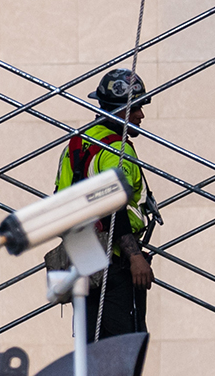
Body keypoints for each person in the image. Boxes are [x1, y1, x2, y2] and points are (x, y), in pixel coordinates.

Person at [53, 68, 157, 342]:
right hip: (114, 261)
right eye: (135, 108)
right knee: (124, 346)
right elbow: (114, 208)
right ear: (120, 110)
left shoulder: (80, 142)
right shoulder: (116, 150)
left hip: (83, 256)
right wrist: (135, 257)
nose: (140, 115)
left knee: (91, 346)